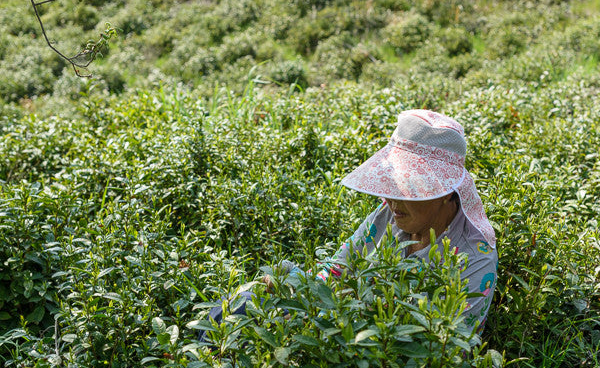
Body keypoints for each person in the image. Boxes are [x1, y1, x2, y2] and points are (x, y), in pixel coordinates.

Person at [201, 109, 498, 338]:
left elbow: (452, 345)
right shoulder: (388, 216)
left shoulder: (474, 257)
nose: (393, 199)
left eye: (411, 188)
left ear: (447, 193)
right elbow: (336, 271)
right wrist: (295, 286)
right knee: (258, 292)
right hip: (346, 323)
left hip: (386, 355)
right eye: (393, 182)